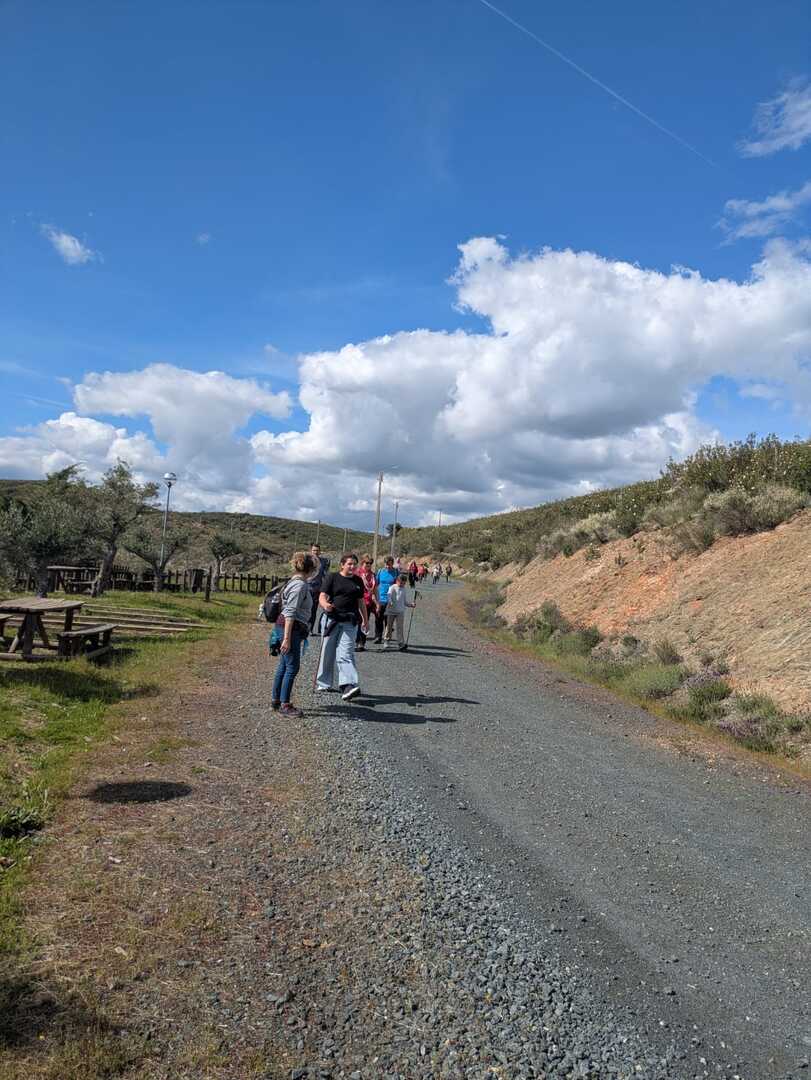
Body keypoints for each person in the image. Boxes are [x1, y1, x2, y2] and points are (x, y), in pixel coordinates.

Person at [316, 553, 368, 700]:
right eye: (349, 564)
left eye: (354, 564)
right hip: (331, 620)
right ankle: (324, 682)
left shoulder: (358, 580)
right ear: (342, 565)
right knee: (327, 652)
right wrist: (325, 605)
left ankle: (348, 685)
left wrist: (365, 619)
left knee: (346, 653)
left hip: (350, 622)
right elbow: (322, 596)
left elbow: (361, 602)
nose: (352, 566)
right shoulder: (332, 577)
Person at [271, 551, 315, 716]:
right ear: (310, 569)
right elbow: (290, 612)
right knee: (292, 667)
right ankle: (285, 704)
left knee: (284, 665)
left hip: (287, 626)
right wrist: (287, 638)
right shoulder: (300, 585)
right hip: (290, 628)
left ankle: (276, 700)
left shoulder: (294, 581)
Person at [383, 574, 416, 649]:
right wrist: (390, 601)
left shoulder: (404, 589)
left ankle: (400, 642)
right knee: (389, 627)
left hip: (400, 611)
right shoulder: (392, 587)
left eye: (404, 583)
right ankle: (387, 640)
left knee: (400, 627)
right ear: (397, 581)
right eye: (401, 583)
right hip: (391, 611)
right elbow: (389, 595)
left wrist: (411, 605)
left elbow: (404, 602)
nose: (402, 585)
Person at [354, 554, 378, 652]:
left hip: (368, 602)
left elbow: (375, 589)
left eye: (370, 563)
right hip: (357, 601)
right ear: (362, 563)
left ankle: (361, 643)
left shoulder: (373, 575)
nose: (369, 564)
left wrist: (377, 602)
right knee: (357, 622)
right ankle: (355, 641)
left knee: (365, 622)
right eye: (367, 563)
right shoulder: (357, 573)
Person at [373, 556, 398, 644]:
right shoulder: (380, 571)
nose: (387, 566)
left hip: (391, 599)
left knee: (388, 620)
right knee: (378, 618)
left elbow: (399, 585)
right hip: (381, 598)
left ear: (392, 563)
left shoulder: (396, 572)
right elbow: (376, 584)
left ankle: (387, 638)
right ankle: (378, 636)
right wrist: (374, 596)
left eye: (389, 564)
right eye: (386, 564)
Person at [307, 543, 330, 633]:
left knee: (313, 610)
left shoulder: (323, 562)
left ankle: (310, 629)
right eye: (314, 550)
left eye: (317, 550)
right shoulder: (307, 561)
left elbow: (325, 575)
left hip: (317, 589)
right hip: (306, 588)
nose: (315, 552)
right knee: (305, 609)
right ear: (311, 551)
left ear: (320, 551)